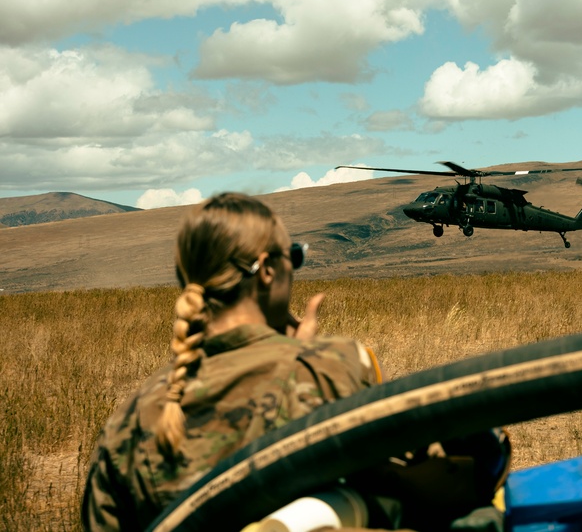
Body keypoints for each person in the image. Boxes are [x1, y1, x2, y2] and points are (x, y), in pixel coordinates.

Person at [81, 192, 382, 531]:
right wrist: (307, 359)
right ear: (267, 270)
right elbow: (397, 491)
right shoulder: (331, 366)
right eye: (293, 256)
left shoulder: (128, 424)